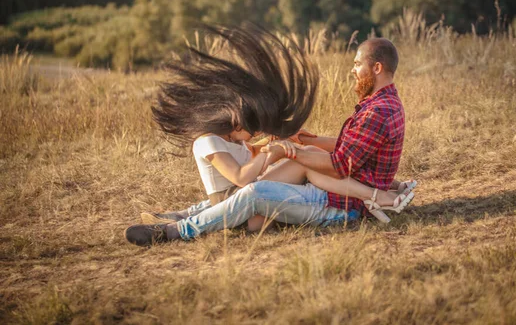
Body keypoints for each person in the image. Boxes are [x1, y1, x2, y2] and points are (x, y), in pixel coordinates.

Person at [125, 34, 413, 246]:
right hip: (339, 192)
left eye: (357, 64)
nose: (353, 70)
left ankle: (178, 231)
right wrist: (302, 143)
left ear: (376, 68)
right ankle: (187, 214)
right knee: (277, 177)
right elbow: (348, 148)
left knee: (256, 193)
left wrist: (287, 151)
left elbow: (339, 165)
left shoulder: (377, 111)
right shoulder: (381, 105)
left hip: (344, 204)